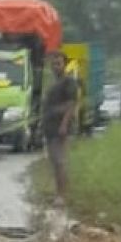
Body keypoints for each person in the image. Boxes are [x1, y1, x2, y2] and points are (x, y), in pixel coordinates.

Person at [42, 51, 79, 204]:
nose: (55, 66)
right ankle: (58, 193)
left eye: (58, 63)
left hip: (60, 128)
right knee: (54, 162)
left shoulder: (68, 82)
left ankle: (62, 196)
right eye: (53, 64)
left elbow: (71, 105)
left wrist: (64, 125)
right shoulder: (54, 83)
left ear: (64, 64)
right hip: (50, 127)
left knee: (59, 161)